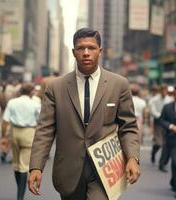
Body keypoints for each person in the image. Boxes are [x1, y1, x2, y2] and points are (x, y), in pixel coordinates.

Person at [28, 28, 140, 200]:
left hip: (105, 170)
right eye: (80, 48)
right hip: (69, 170)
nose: (86, 53)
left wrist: (133, 157)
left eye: (91, 48)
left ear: (100, 51)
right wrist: (36, 166)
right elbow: (45, 130)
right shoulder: (56, 87)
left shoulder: (119, 84)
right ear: (74, 52)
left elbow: (129, 126)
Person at [2, 83, 41, 200]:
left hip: (14, 132)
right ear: (31, 93)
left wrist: (3, 136)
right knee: (24, 165)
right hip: (29, 133)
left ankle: (20, 188)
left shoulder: (12, 102)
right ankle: (20, 196)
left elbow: (5, 121)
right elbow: (40, 121)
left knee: (16, 164)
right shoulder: (35, 104)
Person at [150, 84, 173, 172]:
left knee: (165, 144)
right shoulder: (154, 99)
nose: (164, 92)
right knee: (159, 143)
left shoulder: (169, 99)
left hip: (167, 123)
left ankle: (162, 164)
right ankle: (153, 152)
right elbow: (153, 111)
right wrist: (160, 117)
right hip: (158, 122)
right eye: (163, 91)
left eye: (165, 91)